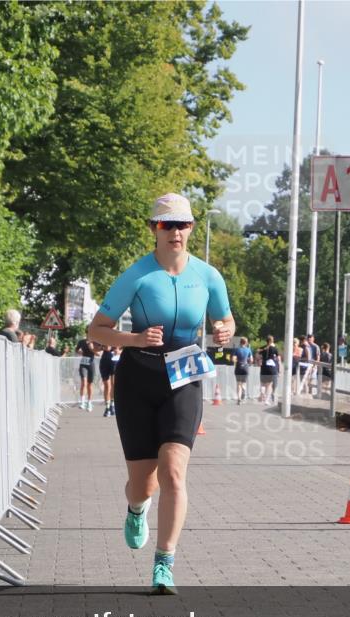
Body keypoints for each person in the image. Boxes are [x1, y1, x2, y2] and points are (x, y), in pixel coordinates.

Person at [87, 193, 234, 594]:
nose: (176, 232)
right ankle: (136, 509)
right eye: (167, 225)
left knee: (173, 471)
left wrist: (225, 331)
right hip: (138, 378)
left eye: (183, 225)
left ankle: (164, 563)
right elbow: (95, 330)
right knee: (144, 483)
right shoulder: (136, 275)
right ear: (154, 228)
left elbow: (226, 319)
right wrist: (133, 337)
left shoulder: (208, 276)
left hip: (184, 375)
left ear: (191, 228)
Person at [75, 337, 97, 410]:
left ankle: (89, 402)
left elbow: (98, 352)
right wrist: (81, 352)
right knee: (83, 382)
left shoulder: (95, 341)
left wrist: (92, 348)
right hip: (83, 363)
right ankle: (82, 402)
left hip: (91, 364)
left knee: (89, 384)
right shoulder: (82, 341)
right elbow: (76, 350)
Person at [99, 345, 121, 416]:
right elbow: (95, 349)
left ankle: (112, 404)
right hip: (104, 360)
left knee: (113, 384)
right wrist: (101, 347)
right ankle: (107, 407)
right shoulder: (101, 336)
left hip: (114, 360)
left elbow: (123, 348)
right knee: (107, 386)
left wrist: (119, 351)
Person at [259, 335, 280, 404]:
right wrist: (279, 369)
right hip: (271, 368)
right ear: (272, 341)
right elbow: (278, 359)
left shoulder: (263, 348)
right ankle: (266, 400)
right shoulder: (274, 349)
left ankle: (262, 393)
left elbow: (258, 354)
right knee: (269, 385)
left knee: (262, 383)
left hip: (264, 366)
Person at [233, 337, 253, 404]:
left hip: (238, 367)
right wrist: (248, 363)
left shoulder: (237, 350)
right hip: (245, 367)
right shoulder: (248, 350)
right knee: (243, 383)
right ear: (246, 343)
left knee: (238, 384)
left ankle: (238, 398)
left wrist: (236, 361)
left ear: (240, 342)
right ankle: (243, 393)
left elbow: (233, 359)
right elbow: (251, 360)